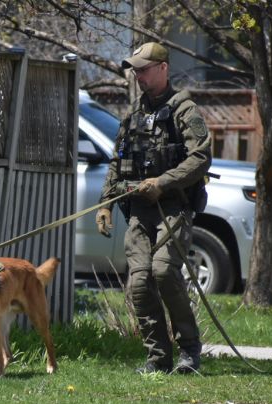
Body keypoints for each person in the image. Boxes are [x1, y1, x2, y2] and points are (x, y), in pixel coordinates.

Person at [95, 41, 212, 374]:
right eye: (136, 70)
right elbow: (117, 161)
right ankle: (158, 358)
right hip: (138, 210)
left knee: (163, 271)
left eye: (144, 69)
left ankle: (190, 351)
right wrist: (104, 204)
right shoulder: (134, 112)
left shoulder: (184, 110)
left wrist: (163, 182)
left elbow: (201, 158)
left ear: (163, 69)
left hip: (172, 208)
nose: (139, 76)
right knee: (141, 282)